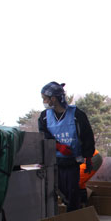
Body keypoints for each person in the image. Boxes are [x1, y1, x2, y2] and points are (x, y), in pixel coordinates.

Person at [38, 82, 95, 212]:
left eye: (45, 99)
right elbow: (43, 135)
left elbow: (87, 136)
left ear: (53, 98)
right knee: (55, 192)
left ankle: (73, 219)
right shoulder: (44, 116)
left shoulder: (77, 115)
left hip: (71, 162)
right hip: (53, 162)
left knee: (72, 193)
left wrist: (88, 157)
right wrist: (58, 146)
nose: (44, 102)